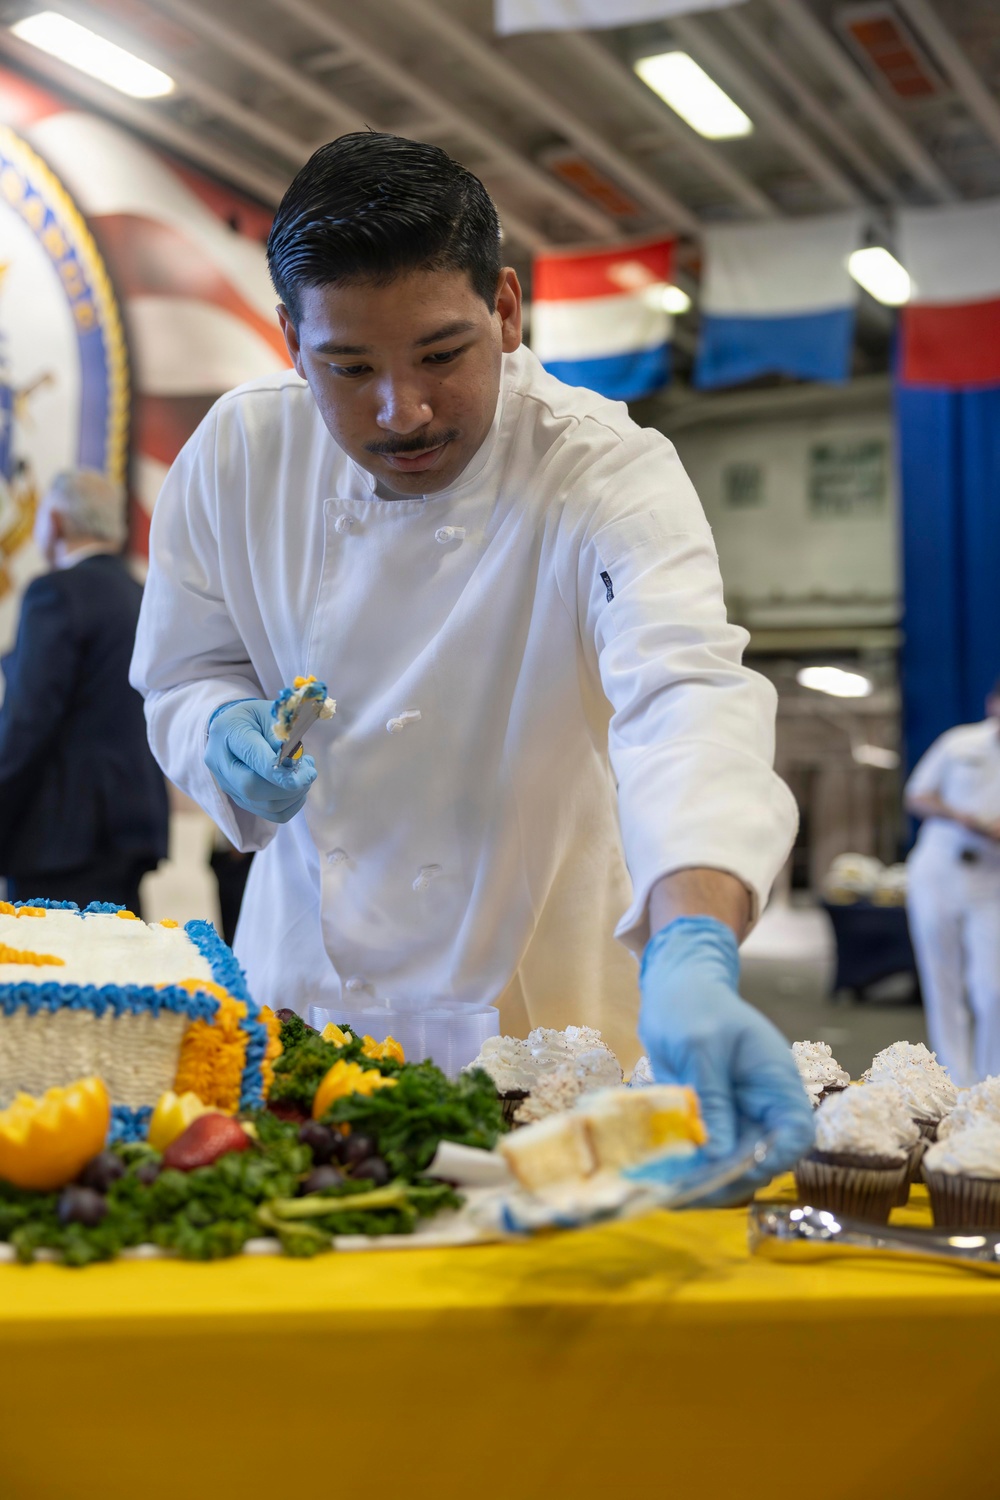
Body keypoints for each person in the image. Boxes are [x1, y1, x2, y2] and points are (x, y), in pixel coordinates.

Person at [131, 133, 813, 1197]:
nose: (401, 411)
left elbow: (683, 694)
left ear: (505, 309)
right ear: (289, 338)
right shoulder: (235, 457)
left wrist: (691, 942)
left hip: (545, 1007)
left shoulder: (603, 471)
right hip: (307, 994)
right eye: (348, 368)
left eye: (441, 355)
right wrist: (220, 736)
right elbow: (184, 671)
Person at [0, 469, 169, 914]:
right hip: (132, 828)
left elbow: (28, 719)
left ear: (54, 522)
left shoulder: (55, 593)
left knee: (53, 979)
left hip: (59, 836)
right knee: (115, 975)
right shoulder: (143, 594)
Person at [904, 684, 1000, 1085]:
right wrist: (963, 817)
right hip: (939, 871)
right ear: (993, 703)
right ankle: (954, 1083)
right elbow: (917, 796)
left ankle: (991, 1083)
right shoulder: (959, 742)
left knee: (992, 988)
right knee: (942, 980)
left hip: (991, 880)